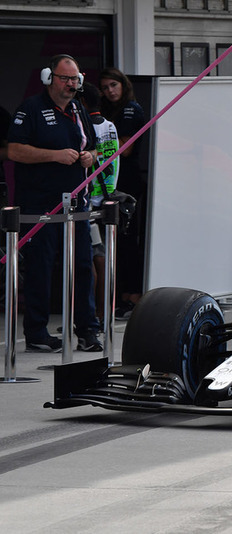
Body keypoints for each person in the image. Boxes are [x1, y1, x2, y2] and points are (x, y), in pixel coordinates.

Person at [7, 54, 102, 352]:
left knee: (83, 268)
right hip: (41, 207)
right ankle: (36, 333)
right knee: (41, 268)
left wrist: (91, 157)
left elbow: (96, 149)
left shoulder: (78, 109)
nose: (70, 84)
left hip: (77, 205)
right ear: (49, 78)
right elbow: (14, 150)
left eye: (74, 79)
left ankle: (87, 330)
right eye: (65, 79)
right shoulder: (31, 108)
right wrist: (54, 155)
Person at [99, 67, 146, 318]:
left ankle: (134, 296)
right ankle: (120, 296)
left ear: (122, 84)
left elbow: (124, 149)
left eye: (113, 86)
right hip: (110, 185)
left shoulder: (131, 109)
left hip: (128, 183)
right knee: (114, 242)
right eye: (105, 87)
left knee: (129, 241)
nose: (110, 91)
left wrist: (98, 148)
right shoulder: (106, 110)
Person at [81, 82, 120, 317]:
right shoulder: (110, 125)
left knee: (93, 259)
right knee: (103, 257)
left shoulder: (85, 128)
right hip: (109, 195)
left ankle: (92, 314)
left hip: (91, 202)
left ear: (83, 103)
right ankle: (105, 312)